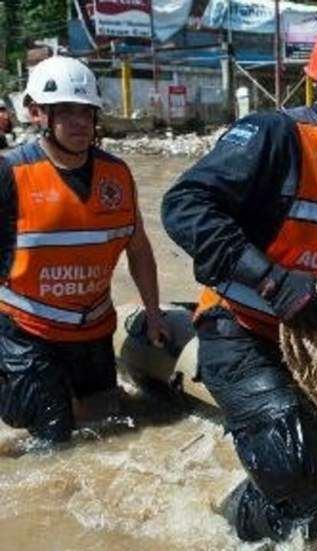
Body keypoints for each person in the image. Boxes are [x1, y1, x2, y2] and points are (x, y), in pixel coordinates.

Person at [160, 14, 317, 542]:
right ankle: (229, 517)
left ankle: (261, 490)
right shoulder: (278, 136)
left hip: (303, 354)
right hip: (238, 336)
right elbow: (184, 206)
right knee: (316, 489)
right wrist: (274, 282)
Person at [0, 56, 166, 445]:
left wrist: (155, 313)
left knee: (108, 426)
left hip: (92, 329)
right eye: (66, 112)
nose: (79, 123)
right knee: (54, 440)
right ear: (37, 112)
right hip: (27, 331)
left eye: (86, 112)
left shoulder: (118, 174)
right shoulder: (10, 175)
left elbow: (137, 247)